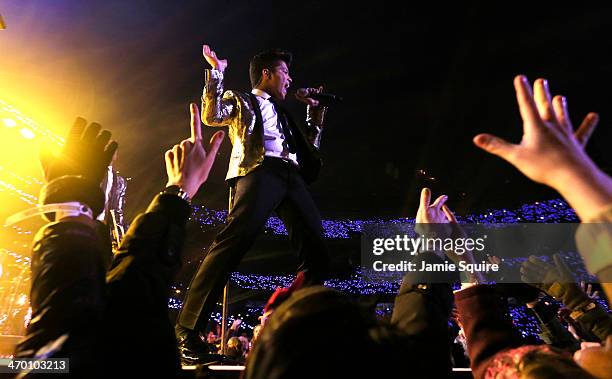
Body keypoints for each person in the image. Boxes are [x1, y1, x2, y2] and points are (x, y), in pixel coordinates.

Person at [175, 44, 332, 363]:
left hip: (291, 174)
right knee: (233, 243)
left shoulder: (286, 114)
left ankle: (294, 330)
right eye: (285, 73)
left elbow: (310, 153)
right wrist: (217, 72)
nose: (289, 80)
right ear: (267, 73)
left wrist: (314, 113)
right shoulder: (242, 99)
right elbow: (212, 114)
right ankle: (187, 331)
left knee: (317, 251)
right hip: (258, 171)